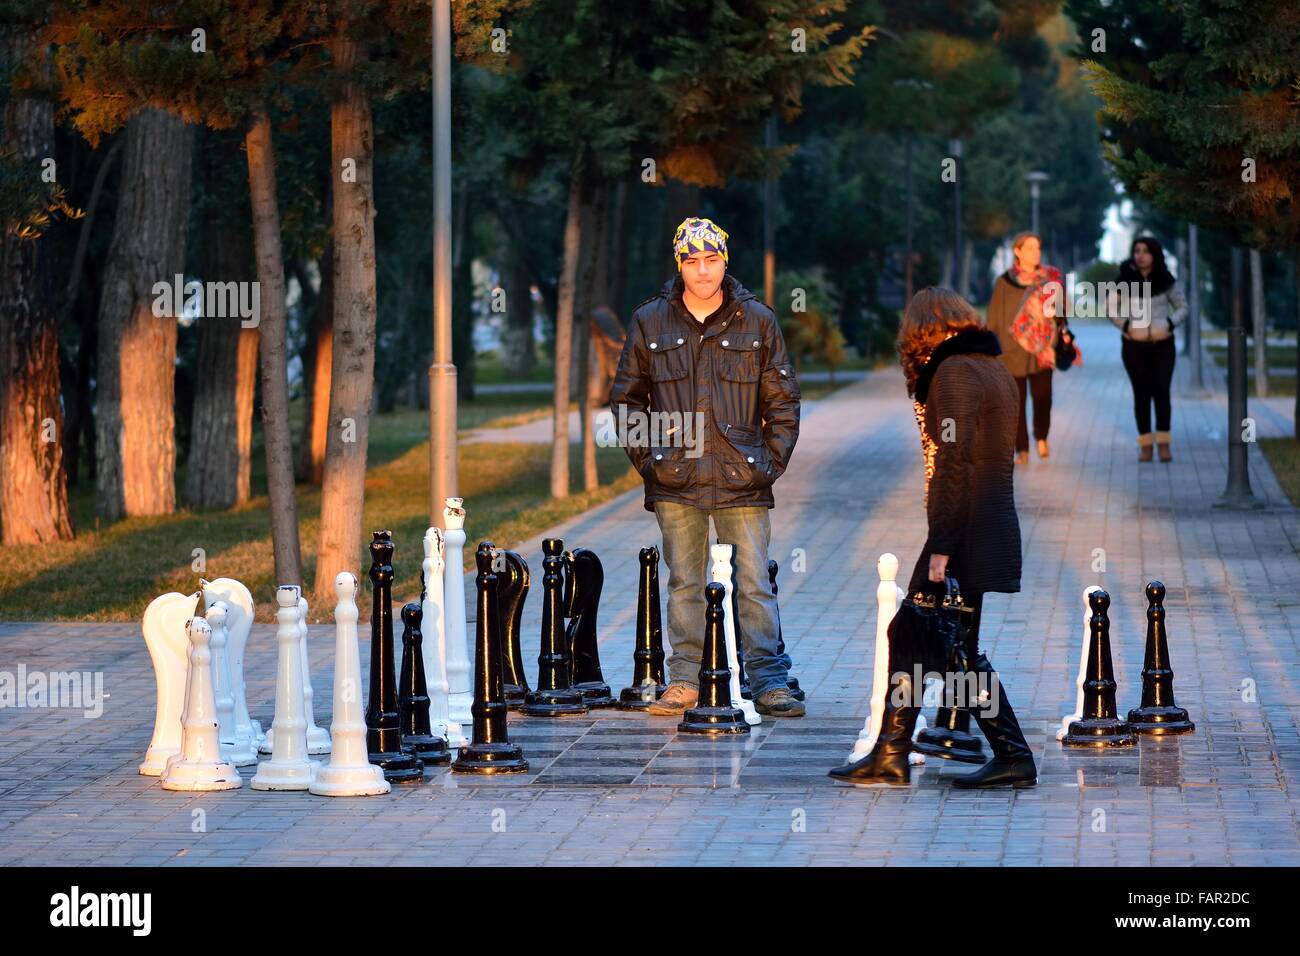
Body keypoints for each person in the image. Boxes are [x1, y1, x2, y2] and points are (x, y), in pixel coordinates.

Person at [829, 288, 1036, 788]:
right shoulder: (991, 368)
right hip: (984, 527)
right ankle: (892, 753)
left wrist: (941, 545)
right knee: (924, 639)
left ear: (926, 329)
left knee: (943, 645)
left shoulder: (955, 373)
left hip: (963, 534)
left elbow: (954, 464)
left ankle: (1011, 755)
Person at [608, 216, 804, 717]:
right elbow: (627, 401)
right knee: (685, 583)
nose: (703, 271)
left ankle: (767, 680)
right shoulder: (651, 320)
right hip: (677, 479)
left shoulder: (757, 319)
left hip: (744, 479)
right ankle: (684, 681)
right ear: (680, 264)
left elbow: (783, 402)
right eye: (692, 261)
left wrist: (768, 464)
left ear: (724, 261)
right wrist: (652, 461)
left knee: (755, 582)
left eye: (711, 259)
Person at [985, 232, 1062, 465]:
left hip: (1042, 348)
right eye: (1030, 248)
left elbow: (1058, 315)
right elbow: (995, 317)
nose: (1036, 252)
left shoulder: (1050, 279)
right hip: (1011, 349)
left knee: (1043, 396)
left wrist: (1056, 339)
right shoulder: (1004, 281)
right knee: (1015, 402)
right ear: (1017, 251)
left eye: (1038, 248)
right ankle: (1022, 449)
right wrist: (992, 349)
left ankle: (1041, 436)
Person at [1111, 236, 1186, 462]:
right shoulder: (1125, 280)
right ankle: (1145, 444)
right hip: (1134, 346)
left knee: (1162, 391)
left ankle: (1163, 443)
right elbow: (1110, 307)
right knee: (1141, 394)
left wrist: (1170, 324)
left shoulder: (1166, 279)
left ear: (1154, 254)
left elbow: (1183, 306)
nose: (1140, 255)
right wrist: (1126, 325)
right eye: (1137, 250)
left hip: (1163, 345)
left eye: (1145, 251)